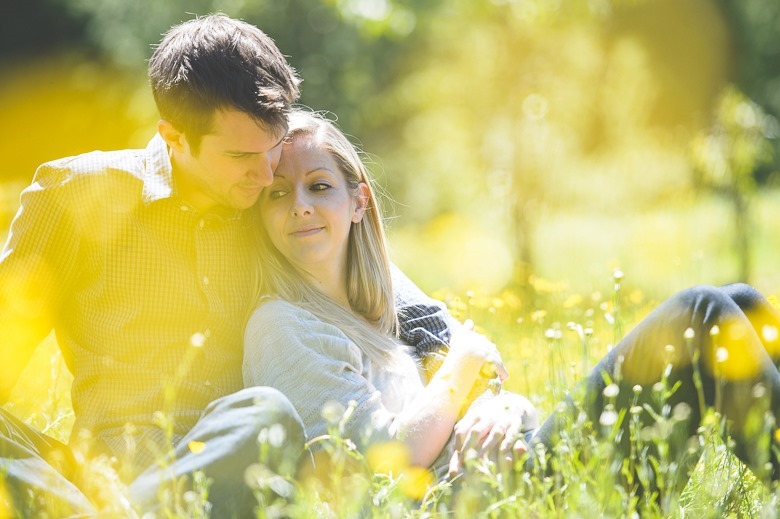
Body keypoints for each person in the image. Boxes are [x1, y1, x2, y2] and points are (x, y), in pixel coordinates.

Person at [0, 14, 450, 517]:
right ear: (173, 137)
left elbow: (411, 309)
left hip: (237, 460)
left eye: (273, 145)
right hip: (105, 472)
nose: (265, 174)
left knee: (266, 415)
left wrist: (480, 385)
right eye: (240, 155)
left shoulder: (273, 201)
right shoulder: (73, 193)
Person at [243, 109, 780, 502]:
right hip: (481, 504)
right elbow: (388, 460)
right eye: (278, 194)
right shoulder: (280, 325)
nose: (301, 207)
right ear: (261, 216)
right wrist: (467, 356)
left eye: (318, 186)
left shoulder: (380, 308)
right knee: (702, 311)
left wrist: (500, 407)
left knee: (743, 302)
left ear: (358, 202)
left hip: (512, 468)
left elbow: (480, 397)